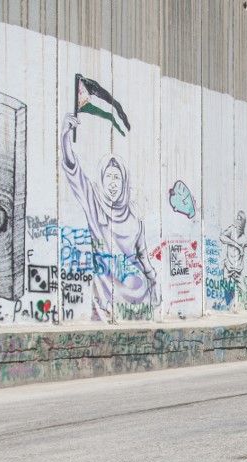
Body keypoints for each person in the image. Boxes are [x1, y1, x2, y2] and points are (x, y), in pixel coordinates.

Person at [61, 113, 159, 320]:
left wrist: (154, 281)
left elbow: (143, 257)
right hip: (107, 301)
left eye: (118, 178)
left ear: (124, 182)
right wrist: (65, 139)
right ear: (101, 180)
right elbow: (75, 174)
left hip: (139, 302)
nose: (113, 183)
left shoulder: (135, 218)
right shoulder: (95, 208)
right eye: (109, 177)